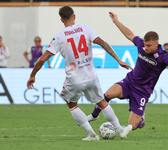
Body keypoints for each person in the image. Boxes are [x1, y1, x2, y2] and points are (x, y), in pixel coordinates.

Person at [27, 6, 133, 141]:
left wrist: (32, 75)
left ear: (61, 20)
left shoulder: (59, 37)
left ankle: (92, 134)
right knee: (102, 102)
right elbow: (102, 43)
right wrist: (118, 60)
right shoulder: (86, 29)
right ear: (74, 16)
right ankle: (120, 129)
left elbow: (42, 59)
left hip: (74, 79)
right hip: (91, 76)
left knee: (71, 103)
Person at [87, 12, 168, 132]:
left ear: (156, 43)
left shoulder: (163, 56)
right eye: (145, 45)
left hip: (143, 91)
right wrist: (116, 21)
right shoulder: (141, 45)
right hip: (130, 82)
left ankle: (140, 120)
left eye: (149, 45)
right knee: (108, 94)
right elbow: (129, 34)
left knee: (132, 126)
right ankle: (94, 115)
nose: (146, 48)